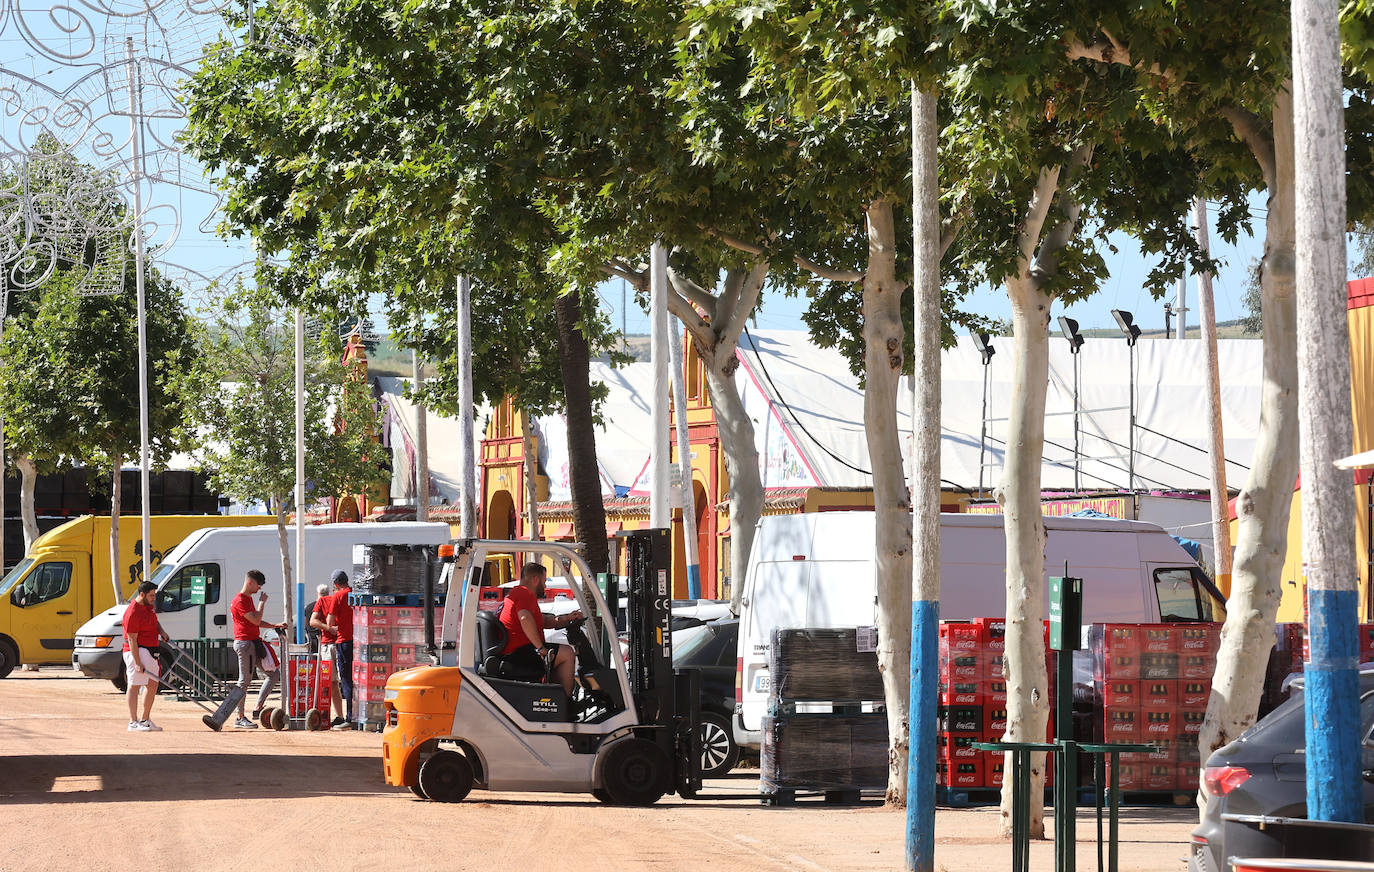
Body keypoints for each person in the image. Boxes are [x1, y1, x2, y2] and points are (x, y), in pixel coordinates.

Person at [497, 562, 583, 695]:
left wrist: (567, 618)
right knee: (567, 652)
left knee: (558, 654)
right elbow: (525, 618)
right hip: (519, 653)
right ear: (535, 580)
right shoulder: (525, 594)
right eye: (544, 581)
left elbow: (543, 621)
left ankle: (553, 696)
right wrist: (541, 648)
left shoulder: (516, 594)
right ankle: (564, 702)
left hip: (515, 651)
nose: (545, 586)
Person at [230, 569, 285, 729]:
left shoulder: (247, 599)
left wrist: (274, 626)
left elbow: (256, 621)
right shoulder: (240, 600)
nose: (259, 589)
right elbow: (255, 620)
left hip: (253, 643)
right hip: (245, 644)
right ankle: (240, 717)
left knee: (274, 673)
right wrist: (262, 603)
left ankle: (258, 708)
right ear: (250, 583)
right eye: (258, 585)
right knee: (244, 681)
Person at [122, 581, 169, 731]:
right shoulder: (133, 612)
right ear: (142, 594)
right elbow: (132, 639)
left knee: (153, 684)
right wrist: (137, 662)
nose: (154, 598)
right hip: (137, 650)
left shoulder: (149, 606)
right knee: (135, 685)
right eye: (151, 595)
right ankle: (133, 721)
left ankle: (145, 719)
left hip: (151, 649)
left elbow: (155, 622)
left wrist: (161, 631)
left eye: (154, 595)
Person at [309, 574, 347, 727]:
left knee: (335, 682)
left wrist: (327, 628)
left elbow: (313, 621)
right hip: (337, 644)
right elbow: (313, 621)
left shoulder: (325, 601)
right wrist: (329, 628)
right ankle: (342, 716)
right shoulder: (333, 600)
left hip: (335, 645)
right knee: (337, 682)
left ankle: (341, 715)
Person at [320, 569, 355, 729]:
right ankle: (359, 714)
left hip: (344, 641)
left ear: (335, 584)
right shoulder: (355, 594)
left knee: (346, 680)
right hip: (359, 642)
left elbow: (330, 621)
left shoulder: (338, 596)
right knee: (359, 680)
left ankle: (349, 718)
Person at [304, 583, 329, 655]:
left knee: (313, 662)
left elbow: (306, 624)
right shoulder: (330, 606)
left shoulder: (308, 607)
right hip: (325, 639)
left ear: (317, 593)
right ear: (327, 593)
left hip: (312, 639)